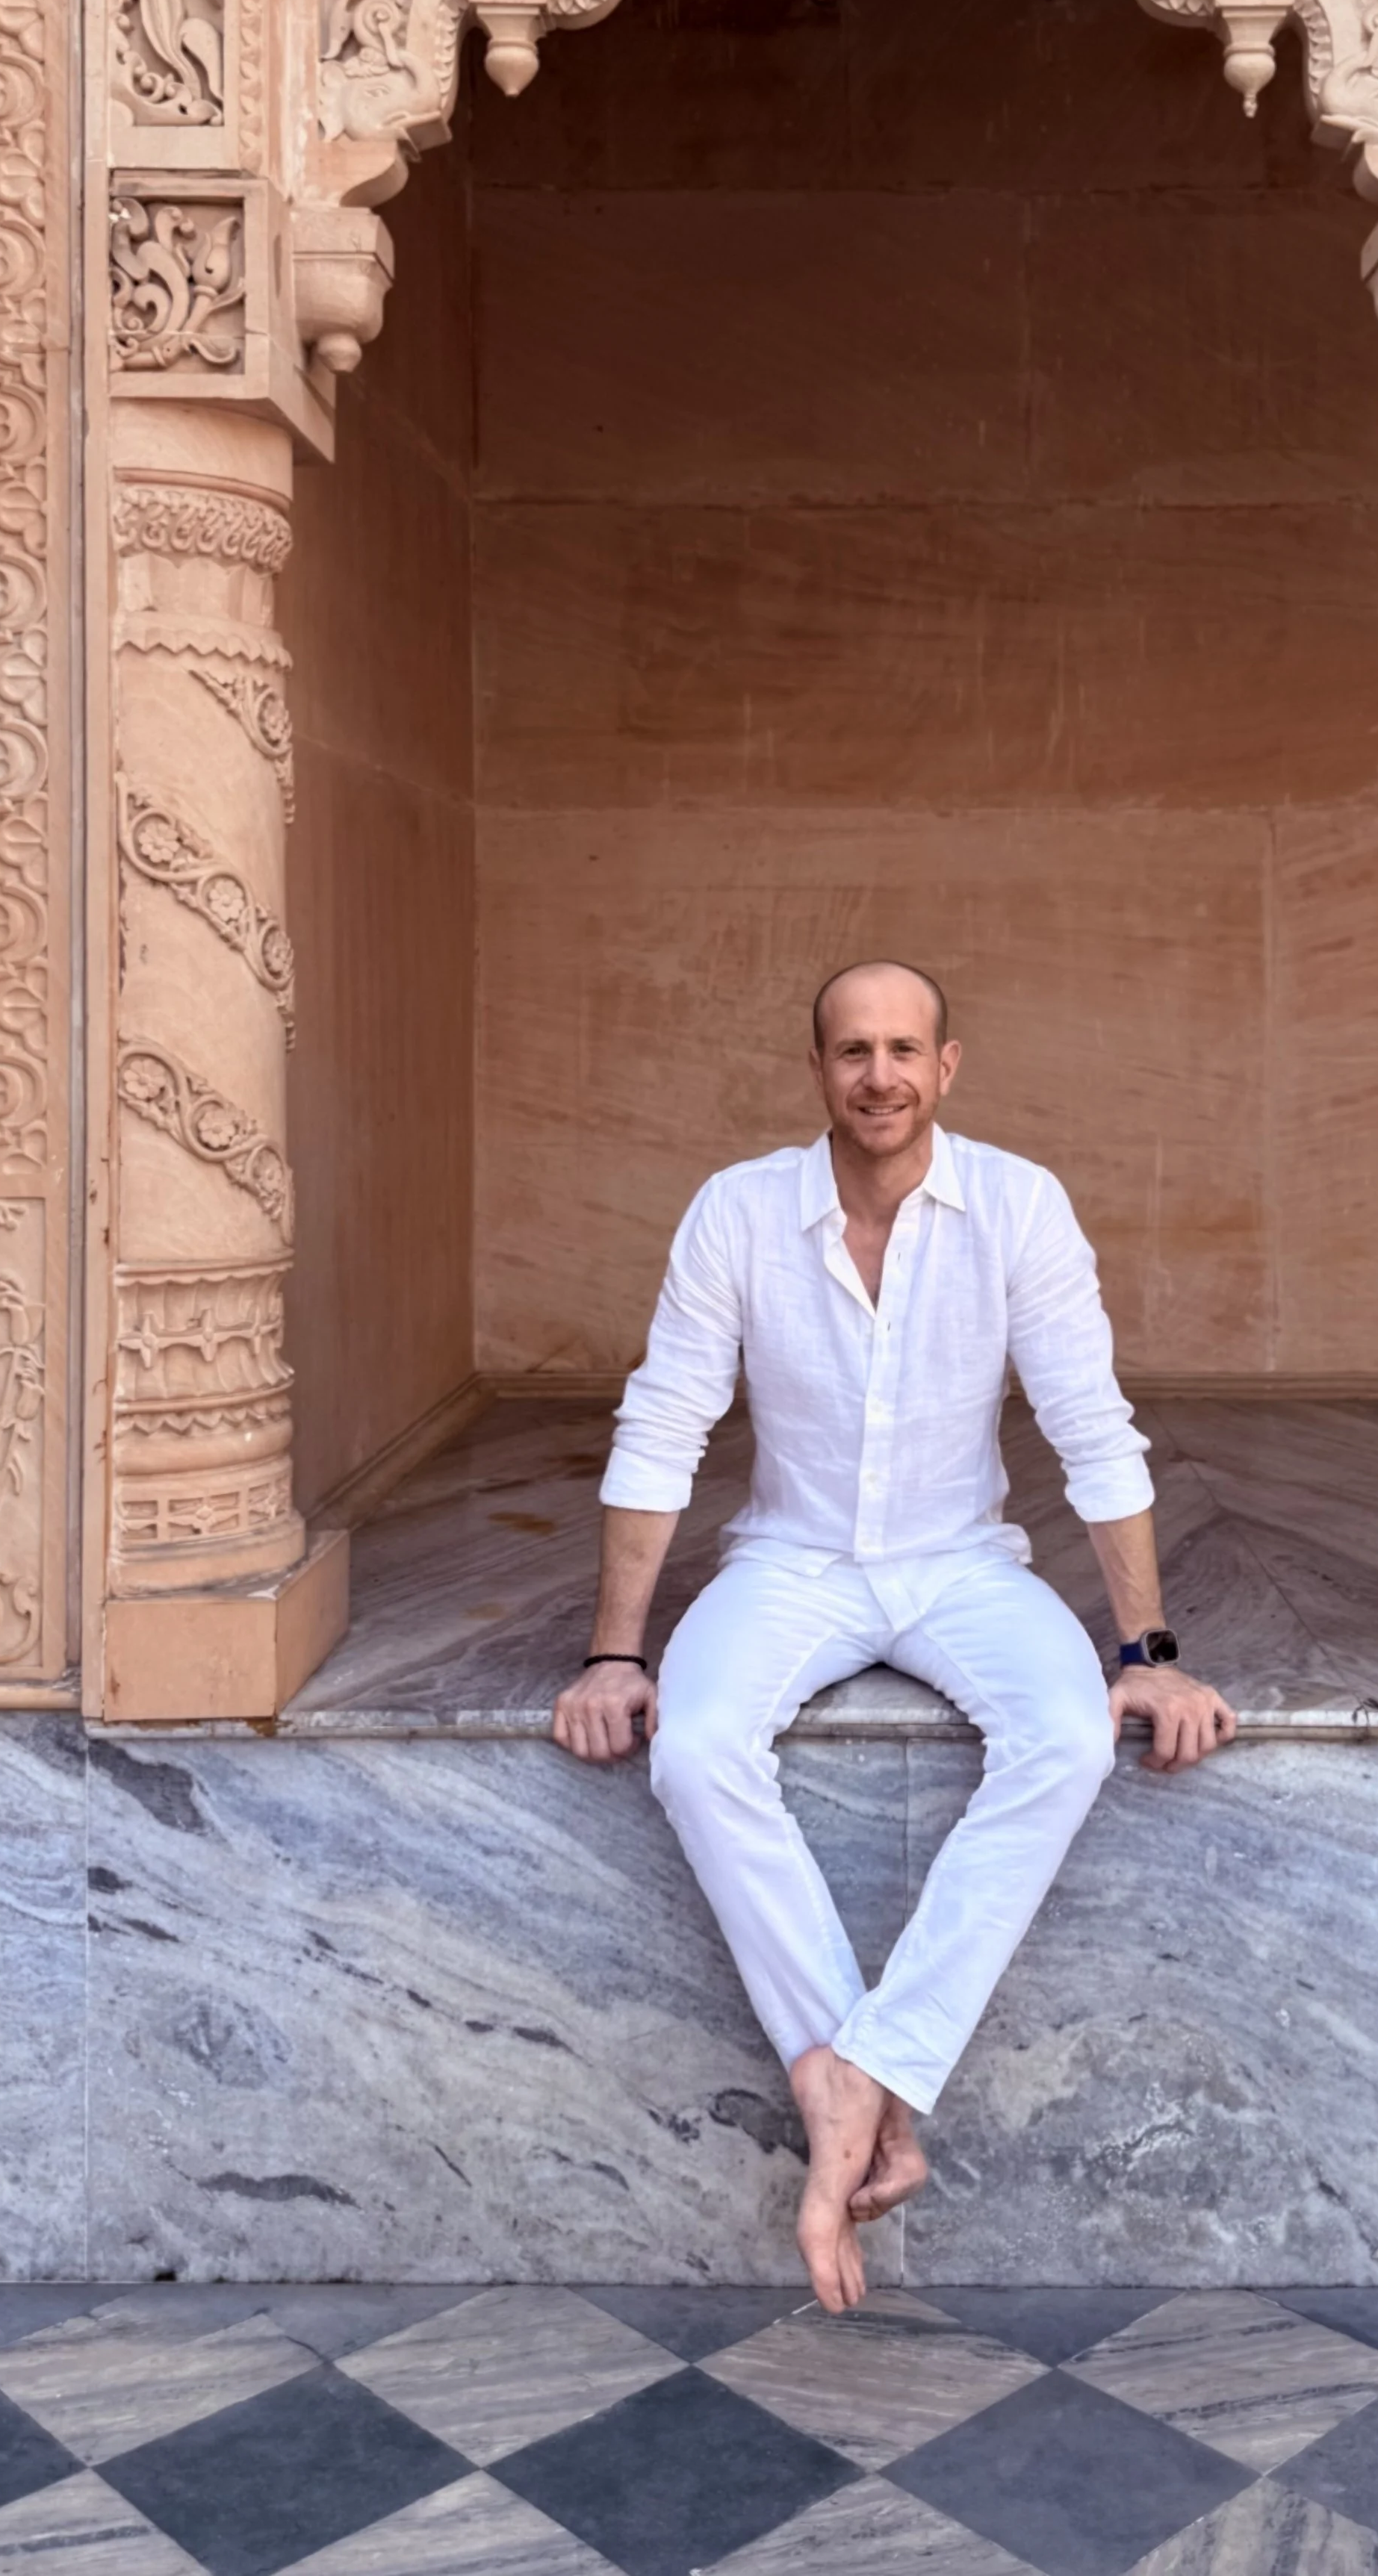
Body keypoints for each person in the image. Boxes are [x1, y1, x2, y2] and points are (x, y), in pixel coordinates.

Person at [552, 961, 1236, 2309]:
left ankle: (865, 2070)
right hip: (790, 1562)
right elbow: (663, 1423)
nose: (881, 1076)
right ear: (818, 1069)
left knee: (1066, 1737)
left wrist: (1146, 1654)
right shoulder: (739, 1210)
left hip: (963, 1565)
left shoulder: (1018, 1206)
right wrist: (614, 1654)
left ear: (947, 1066)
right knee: (694, 1747)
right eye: (854, 1051)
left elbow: (1091, 1427)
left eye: (905, 1050)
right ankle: (846, 2078)